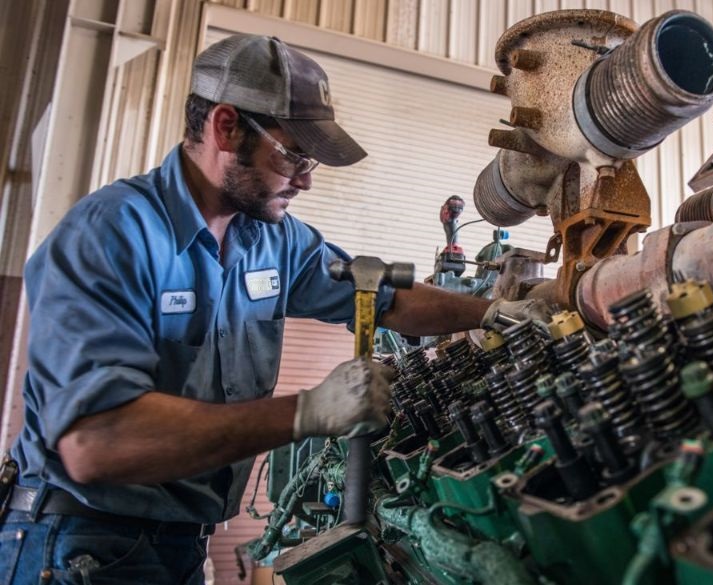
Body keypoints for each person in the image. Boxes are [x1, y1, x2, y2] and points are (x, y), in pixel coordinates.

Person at [0, 35, 549, 584]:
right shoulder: (113, 235)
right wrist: (306, 412)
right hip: (79, 546)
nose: (307, 180)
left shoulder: (274, 241)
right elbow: (97, 442)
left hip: (179, 545)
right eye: (294, 156)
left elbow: (384, 296)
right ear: (225, 126)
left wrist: (491, 312)